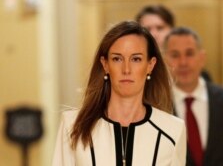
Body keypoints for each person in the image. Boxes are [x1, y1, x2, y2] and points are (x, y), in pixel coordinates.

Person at [52, 21, 186, 166]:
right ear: (105, 64)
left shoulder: (173, 130)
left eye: (136, 59)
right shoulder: (72, 125)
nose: (126, 69)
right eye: (117, 59)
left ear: (150, 65)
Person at [163, 26, 223, 166]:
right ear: (165, 60)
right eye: (175, 55)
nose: (183, 62)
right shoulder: (156, 106)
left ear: (202, 58)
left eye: (189, 53)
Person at [136, 4, 212, 82]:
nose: (154, 34)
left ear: (172, 30)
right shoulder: (133, 70)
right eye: (147, 29)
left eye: (160, 28)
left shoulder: (198, 74)